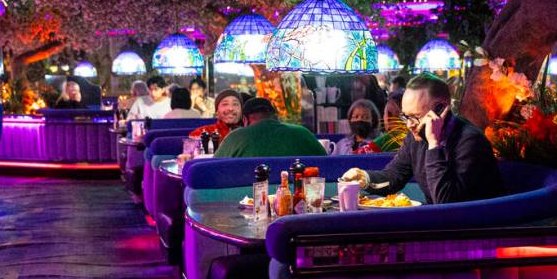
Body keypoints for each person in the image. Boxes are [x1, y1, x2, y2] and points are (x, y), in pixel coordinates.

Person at [342, 73, 503, 204]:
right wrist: (364, 178)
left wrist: (434, 145)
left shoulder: (470, 141)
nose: (409, 125)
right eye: (406, 117)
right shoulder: (416, 136)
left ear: (440, 109)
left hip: (475, 231)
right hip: (439, 226)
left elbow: (446, 203)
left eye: (415, 117)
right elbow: (394, 176)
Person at [214, 97, 326, 158]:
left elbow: (214, 168)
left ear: (245, 119)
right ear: (276, 116)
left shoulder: (235, 137)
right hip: (298, 195)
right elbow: (326, 161)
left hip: (247, 197)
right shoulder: (302, 133)